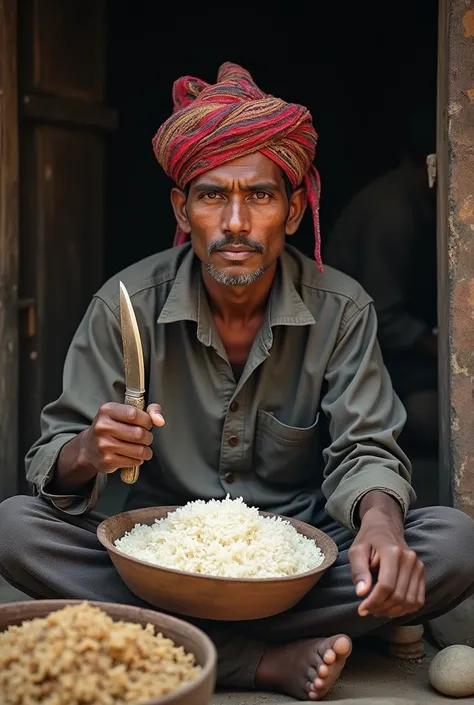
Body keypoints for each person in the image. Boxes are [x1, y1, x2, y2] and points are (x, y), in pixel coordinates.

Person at [0, 63, 473, 702]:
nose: (236, 223)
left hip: (298, 560)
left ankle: (187, 644)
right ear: (182, 208)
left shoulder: (342, 308)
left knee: (453, 544)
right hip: (157, 560)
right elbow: (52, 464)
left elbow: (365, 448)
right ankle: (259, 660)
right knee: (16, 529)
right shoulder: (126, 305)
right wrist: (88, 452)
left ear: (296, 207)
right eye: (211, 195)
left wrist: (381, 521)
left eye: (260, 195)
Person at [324, 113, 438, 456]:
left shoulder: (409, 202)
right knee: (429, 413)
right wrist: (440, 345)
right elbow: (383, 318)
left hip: (389, 355)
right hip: (359, 353)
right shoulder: (392, 213)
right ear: (431, 165)